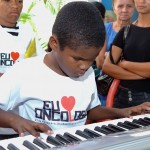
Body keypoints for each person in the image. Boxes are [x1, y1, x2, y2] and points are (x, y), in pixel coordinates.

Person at [0, 1, 150, 139]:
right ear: (54, 43)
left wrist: (121, 112)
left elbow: (89, 110)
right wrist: (15, 120)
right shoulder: (25, 72)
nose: (85, 66)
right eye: (78, 59)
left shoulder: (87, 73)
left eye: (91, 60)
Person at [102, 0, 150, 108]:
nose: (142, 1)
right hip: (120, 98)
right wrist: (142, 75)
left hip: (147, 100)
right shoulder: (126, 31)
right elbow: (107, 66)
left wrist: (124, 64)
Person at [96, 0, 135, 106]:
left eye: (129, 6)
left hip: (131, 90)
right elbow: (100, 63)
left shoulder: (140, 31)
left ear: (134, 7)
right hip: (106, 86)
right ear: (114, 8)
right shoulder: (104, 29)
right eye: (120, 6)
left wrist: (108, 56)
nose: (124, 10)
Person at [0, 0, 43, 77]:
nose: (15, 6)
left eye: (19, 1)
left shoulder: (28, 33)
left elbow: (39, 64)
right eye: (7, 1)